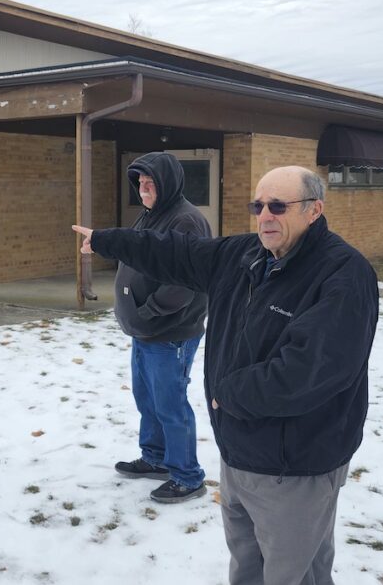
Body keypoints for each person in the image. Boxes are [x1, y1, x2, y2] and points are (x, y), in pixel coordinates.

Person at [73, 166, 378, 585]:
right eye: (258, 206)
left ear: (314, 210)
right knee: (247, 567)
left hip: (294, 467)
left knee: (293, 575)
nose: (265, 216)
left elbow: (312, 370)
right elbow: (176, 252)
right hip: (238, 454)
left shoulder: (343, 273)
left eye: (277, 206)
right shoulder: (244, 255)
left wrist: (228, 395)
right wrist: (111, 240)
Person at [111, 152, 212, 504]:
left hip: (171, 333)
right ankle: (155, 458)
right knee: (147, 398)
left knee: (170, 404)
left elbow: (184, 284)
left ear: (167, 184)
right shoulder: (151, 215)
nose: (144, 190)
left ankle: (187, 476)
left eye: (150, 183)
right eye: (140, 183)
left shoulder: (186, 221)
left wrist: (148, 310)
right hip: (145, 331)